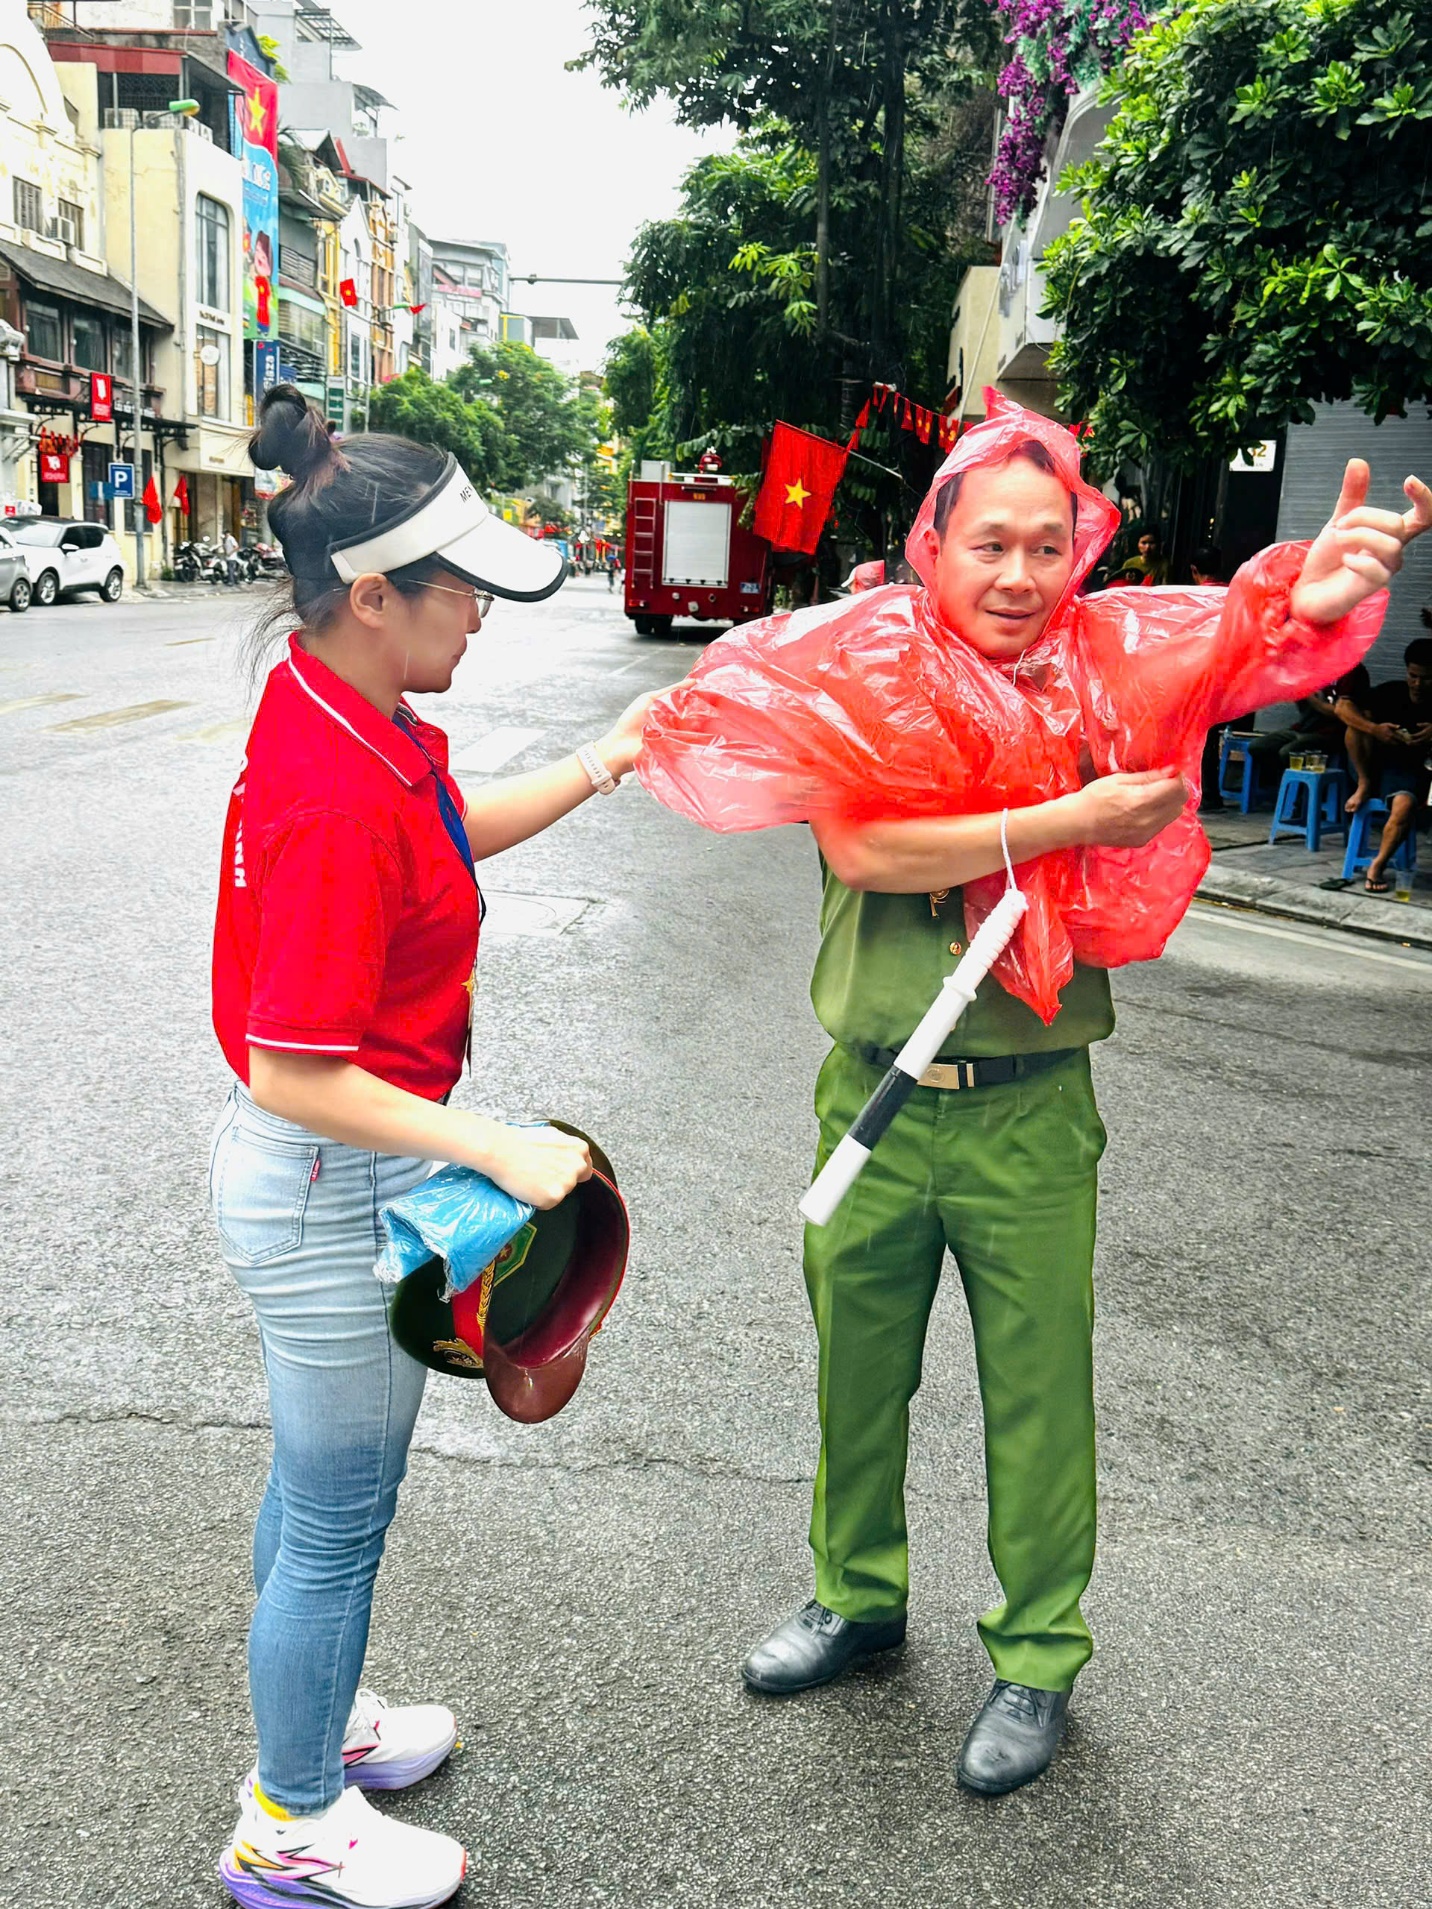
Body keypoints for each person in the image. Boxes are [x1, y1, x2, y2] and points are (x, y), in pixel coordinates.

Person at [638, 393, 1427, 1799]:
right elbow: (869, 848)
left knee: (1040, 1398)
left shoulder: (1105, 672)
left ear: (1081, 554)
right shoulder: (860, 669)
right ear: (930, 544)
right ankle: (856, 1600)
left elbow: (1229, 641)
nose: (1016, 575)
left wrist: (1300, 602)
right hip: (869, 1096)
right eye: (987, 542)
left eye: (1046, 546)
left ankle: (1038, 1657)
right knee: (856, 1377)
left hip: (1030, 1107)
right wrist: (1066, 819)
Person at [210, 385, 655, 1909]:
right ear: (372, 594)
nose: (482, 612)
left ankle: (314, 1725)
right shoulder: (337, 784)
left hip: (341, 1170)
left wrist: (606, 758)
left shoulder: (357, 715)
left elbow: (453, 831)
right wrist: (503, 1148)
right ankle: (289, 1820)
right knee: (342, 1509)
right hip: (335, 1176)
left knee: (315, 1488)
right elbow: (293, 1071)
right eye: (457, 587)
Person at [1333, 635, 1432, 890]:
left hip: (1411, 774)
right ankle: (1364, 785)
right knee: (1355, 728)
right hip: (1371, 766)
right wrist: (1374, 729)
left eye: (1426, 678)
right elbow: (1342, 707)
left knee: (1404, 805)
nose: (1418, 684)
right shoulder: (1392, 692)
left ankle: (1377, 865)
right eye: (1413, 676)